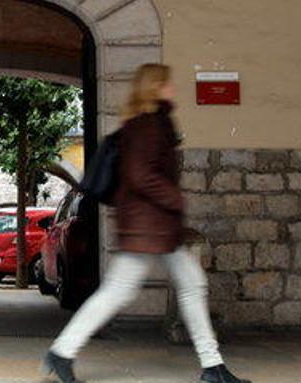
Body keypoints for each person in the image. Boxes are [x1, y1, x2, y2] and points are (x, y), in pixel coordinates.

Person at [43, 64, 251, 383]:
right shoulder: (150, 126)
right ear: (156, 87)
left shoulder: (146, 124)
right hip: (149, 225)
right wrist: (174, 198)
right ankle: (62, 351)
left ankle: (213, 365)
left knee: (189, 285)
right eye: (168, 84)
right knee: (124, 291)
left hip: (153, 225)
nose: (174, 89)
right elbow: (140, 175)